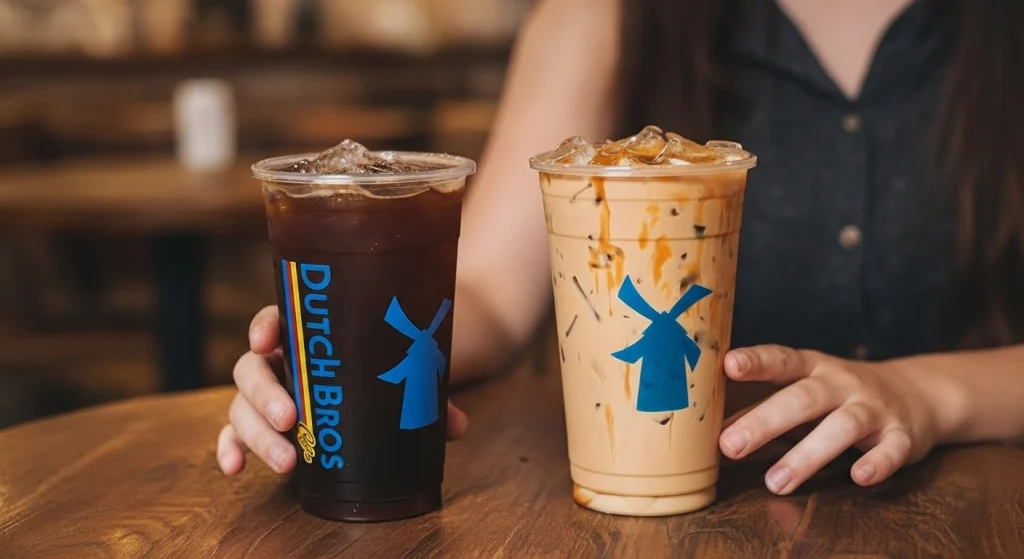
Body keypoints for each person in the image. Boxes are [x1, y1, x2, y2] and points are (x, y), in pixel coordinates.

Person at [218, 0, 1024, 497]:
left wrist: (928, 394)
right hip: (706, 511)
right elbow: (492, 294)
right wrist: (335, 360)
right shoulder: (603, 14)